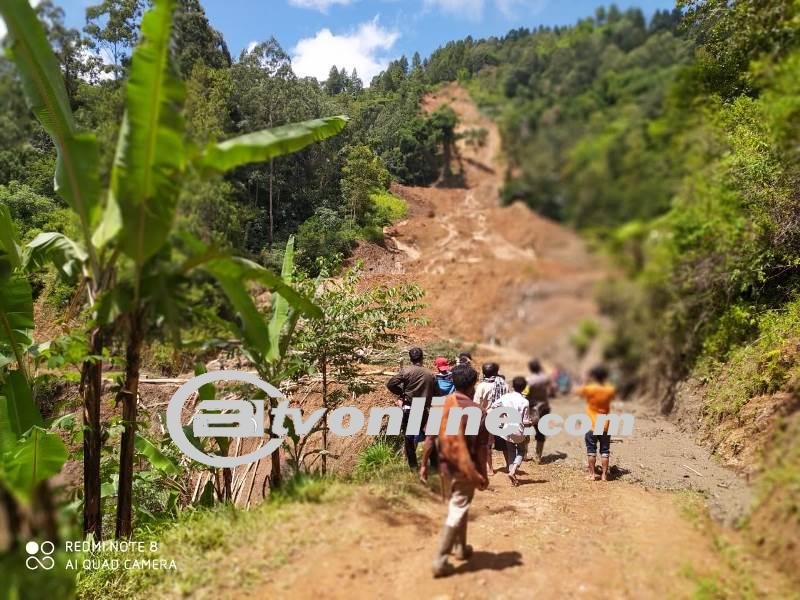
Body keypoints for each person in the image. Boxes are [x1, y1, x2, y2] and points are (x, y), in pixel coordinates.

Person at [431, 363, 489, 577]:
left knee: (459, 506)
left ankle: (461, 548)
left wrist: (423, 466)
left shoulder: (441, 405)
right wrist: (481, 473)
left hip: (445, 467)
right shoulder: (476, 411)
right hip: (465, 469)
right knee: (458, 509)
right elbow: (481, 449)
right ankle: (440, 559)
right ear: (473, 384)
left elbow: (430, 439)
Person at [387, 347, 439, 469]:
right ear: (422, 358)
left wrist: (402, 393)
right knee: (429, 437)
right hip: (425, 409)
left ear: (410, 359)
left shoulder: (406, 371)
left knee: (409, 439)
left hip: (411, 408)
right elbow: (437, 393)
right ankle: (435, 464)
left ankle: (413, 467)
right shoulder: (430, 374)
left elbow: (390, 384)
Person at [577, 365, 616, 481]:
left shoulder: (590, 388)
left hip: (591, 424)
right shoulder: (609, 389)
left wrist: (585, 379)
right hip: (605, 423)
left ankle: (592, 474)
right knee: (605, 450)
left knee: (591, 450)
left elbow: (580, 392)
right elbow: (612, 397)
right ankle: (604, 475)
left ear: (594, 376)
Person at [490, 376, 530, 486]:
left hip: (507, 429)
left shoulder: (506, 397)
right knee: (521, 451)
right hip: (519, 430)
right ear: (523, 388)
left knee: (511, 451)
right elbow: (525, 420)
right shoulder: (525, 402)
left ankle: (511, 473)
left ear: (512, 386)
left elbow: (494, 406)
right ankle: (513, 471)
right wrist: (531, 422)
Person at [473, 362, 508, 474]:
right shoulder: (504, 385)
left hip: (487, 418)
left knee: (487, 445)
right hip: (502, 417)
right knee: (504, 444)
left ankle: (490, 469)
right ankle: (509, 465)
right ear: (496, 372)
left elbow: (476, 404)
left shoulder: (481, 386)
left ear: (484, 373)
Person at [526, 359, 553, 463]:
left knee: (526, 430)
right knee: (541, 432)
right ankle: (538, 456)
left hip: (532, 408)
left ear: (530, 368)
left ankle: (524, 454)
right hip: (544, 406)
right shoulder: (545, 378)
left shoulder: (529, 380)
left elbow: (525, 394)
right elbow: (552, 389)